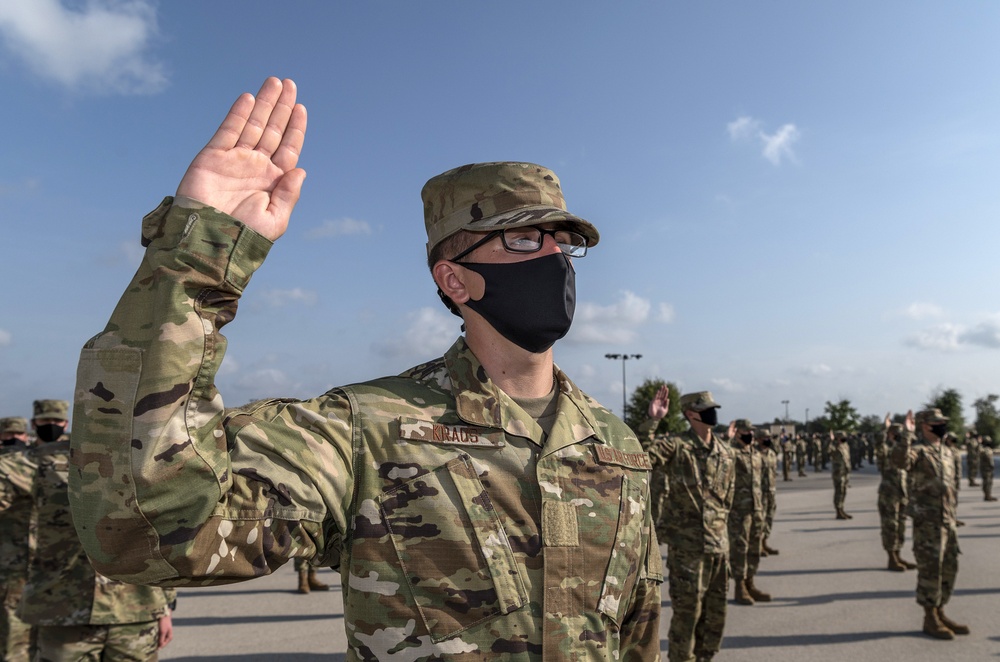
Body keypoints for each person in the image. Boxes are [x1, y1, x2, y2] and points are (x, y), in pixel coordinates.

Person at [69, 78, 662, 660]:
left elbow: (638, 632)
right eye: (523, 240)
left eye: (562, 242)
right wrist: (195, 258)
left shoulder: (615, 444)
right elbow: (148, 531)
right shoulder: (365, 430)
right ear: (455, 280)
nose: (554, 260)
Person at [0, 400, 175, 660]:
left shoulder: (145, 463)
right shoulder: (40, 462)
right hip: (64, 610)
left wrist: (166, 606)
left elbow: (164, 535)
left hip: (135, 608)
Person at [642, 388, 735, 662]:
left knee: (715, 613)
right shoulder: (677, 446)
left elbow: (726, 499)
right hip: (688, 549)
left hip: (719, 546)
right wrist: (653, 420)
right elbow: (642, 456)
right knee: (688, 614)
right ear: (691, 415)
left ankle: (706, 657)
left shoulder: (725, 452)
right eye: (707, 409)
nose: (713, 413)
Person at [891, 409, 968, 640]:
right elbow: (899, 461)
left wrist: (953, 514)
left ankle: (940, 610)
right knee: (930, 570)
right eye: (937, 422)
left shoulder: (946, 451)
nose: (941, 425)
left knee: (949, 568)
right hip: (928, 521)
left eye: (943, 422)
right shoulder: (918, 451)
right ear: (925, 425)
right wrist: (907, 434)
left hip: (947, 520)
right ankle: (929, 618)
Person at [0, 417, 34, 662]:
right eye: (7, 436)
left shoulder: (39, 464)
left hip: (36, 565)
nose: (13, 440)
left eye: (18, 435)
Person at [726, 419, 768, 606]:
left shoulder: (756, 454)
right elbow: (720, 454)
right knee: (740, 550)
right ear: (737, 433)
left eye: (751, 431)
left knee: (754, 549)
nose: (750, 434)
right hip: (739, 511)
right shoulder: (731, 453)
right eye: (745, 431)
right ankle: (739, 587)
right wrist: (728, 439)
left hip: (757, 508)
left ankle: (750, 582)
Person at [875, 419, 916, 572]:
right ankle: (891, 558)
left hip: (902, 492)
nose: (899, 437)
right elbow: (878, 444)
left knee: (901, 526)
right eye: (897, 434)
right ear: (891, 435)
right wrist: (884, 430)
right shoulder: (884, 449)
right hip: (888, 494)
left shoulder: (904, 450)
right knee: (890, 527)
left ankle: (898, 555)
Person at [758, 430, 779, 556]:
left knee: (769, 517)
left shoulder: (771, 453)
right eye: (765, 437)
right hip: (760, 491)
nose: (768, 439)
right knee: (760, 519)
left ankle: (765, 542)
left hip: (771, 490)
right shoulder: (754, 453)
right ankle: (758, 545)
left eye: (769, 437)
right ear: (759, 439)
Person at [830, 431, 852, 519]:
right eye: (842, 437)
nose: (844, 438)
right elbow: (827, 450)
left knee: (843, 491)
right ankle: (838, 511)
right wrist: (831, 441)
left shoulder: (845, 446)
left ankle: (842, 509)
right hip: (838, 473)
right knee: (839, 492)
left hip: (845, 472)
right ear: (838, 437)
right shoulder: (834, 447)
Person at [978, 435, 996, 501]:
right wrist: (992, 466)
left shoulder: (984, 449)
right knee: (988, 482)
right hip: (987, 469)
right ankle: (987, 496)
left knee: (987, 482)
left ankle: (987, 495)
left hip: (985, 468)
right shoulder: (986, 450)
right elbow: (989, 459)